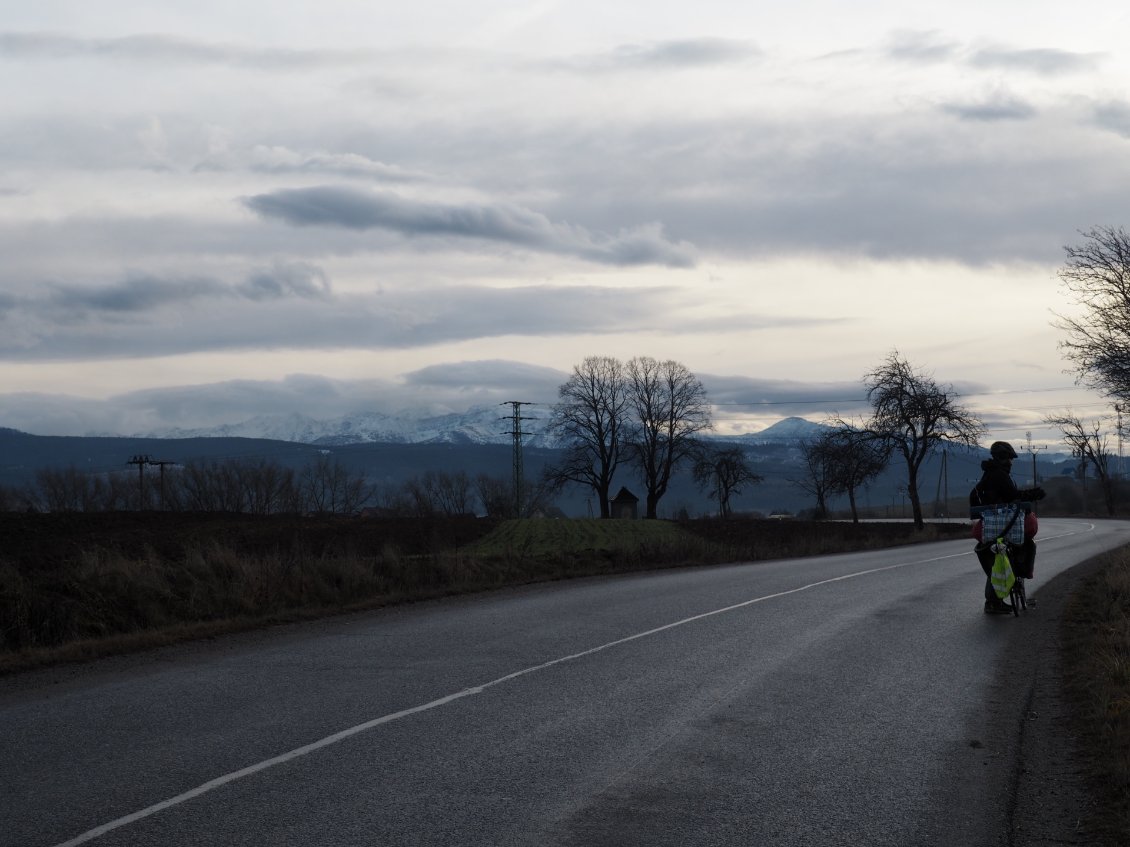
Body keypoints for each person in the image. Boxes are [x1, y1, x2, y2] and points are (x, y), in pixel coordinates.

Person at [970, 441, 1046, 614]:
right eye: (1010, 459)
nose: (1011, 462)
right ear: (1003, 458)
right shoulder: (999, 474)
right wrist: (1033, 494)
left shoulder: (989, 473)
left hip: (992, 524)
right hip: (1003, 523)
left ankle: (992, 601)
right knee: (1023, 546)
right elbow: (1012, 496)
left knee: (996, 559)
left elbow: (977, 496)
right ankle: (999, 597)